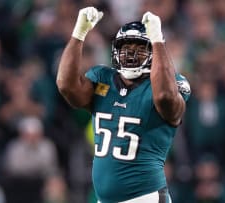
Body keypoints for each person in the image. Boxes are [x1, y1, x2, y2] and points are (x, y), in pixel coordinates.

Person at [56, 6, 191, 203]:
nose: (131, 54)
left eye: (139, 49)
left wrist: (158, 40)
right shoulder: (102, 78)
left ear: (153, 53)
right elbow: (66, 86)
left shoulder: (174, 84)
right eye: (126, 48)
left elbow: (164, 97)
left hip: (146, 197)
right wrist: (79, 34)